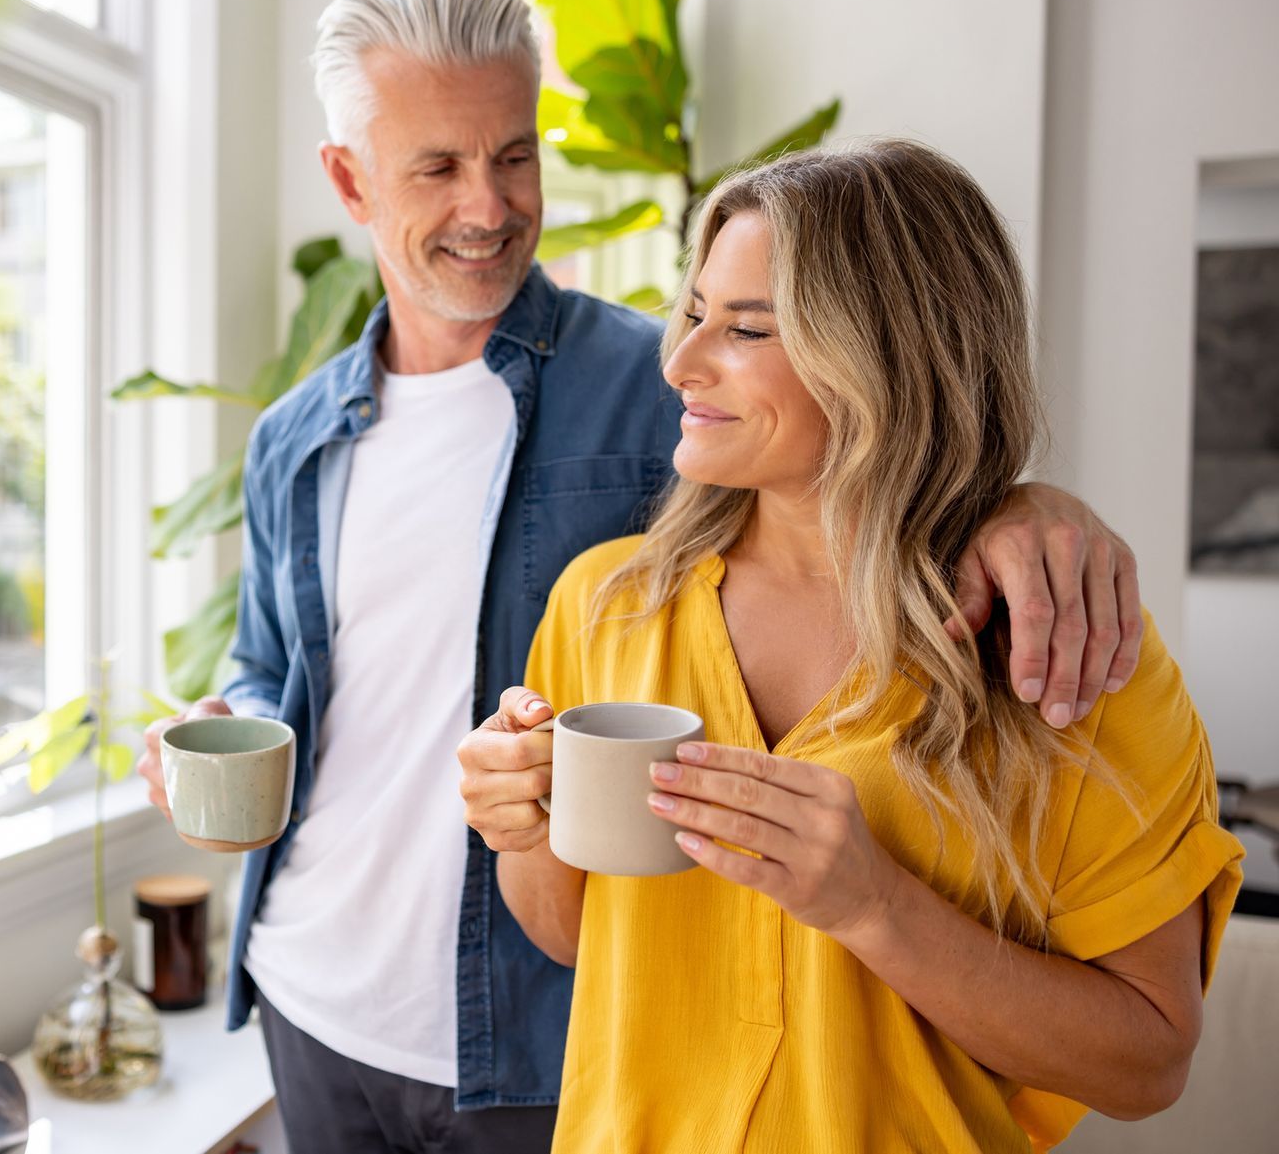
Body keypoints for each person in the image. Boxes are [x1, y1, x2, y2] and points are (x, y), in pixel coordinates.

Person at [137, 0, 1147, 1152]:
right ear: (350, 180)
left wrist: (1023, 504)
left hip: (538, 1037)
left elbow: (873, 467)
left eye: (514, 154)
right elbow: (275, 665)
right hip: (310, 992)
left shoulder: (661, 387)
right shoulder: (292, 438)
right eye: (438, 166)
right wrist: (224, 718)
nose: (490, 204)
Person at [459, 139, 1245, 1151]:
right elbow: (580, 937)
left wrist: (876, 906)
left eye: (745, 329)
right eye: (694, 312)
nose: (680, 362)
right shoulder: (606, 606)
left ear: (888, 356)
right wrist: (520, 821)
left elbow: (1149, 1060)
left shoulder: (1068, 656)